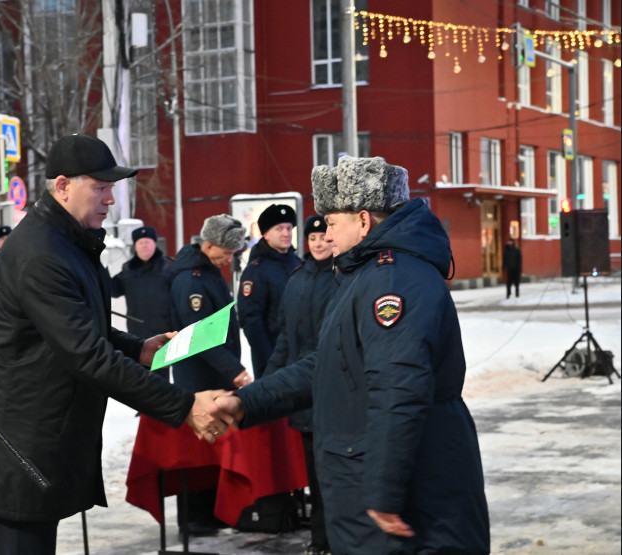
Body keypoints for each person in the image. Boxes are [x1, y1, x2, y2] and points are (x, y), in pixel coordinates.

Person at [0, 133, 229, 555]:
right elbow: (85, 354)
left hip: (44, 439)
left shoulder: (65, 243)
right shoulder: (42, 253)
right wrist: (182, 407)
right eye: (101, 187)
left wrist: (137, 350)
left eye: (112, 188)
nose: (110, 199)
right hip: (22, 445)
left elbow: (81, 330)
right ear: (64, 186)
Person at [215, 156, 490, 554]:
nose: (324, 234)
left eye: (331, 222)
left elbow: (399, 389)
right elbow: (327, 363)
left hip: (409, 497)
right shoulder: (367, 273)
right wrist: (246, 403)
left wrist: (383, 492)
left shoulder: (392, 280)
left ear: (363, 221)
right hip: (376, 485)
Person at [168, 214, 252, 535]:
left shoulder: (209, 271)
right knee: (197, 450)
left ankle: (210, 512)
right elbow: (199, 337)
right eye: (226, 253)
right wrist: (235, 371)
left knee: (213, 445)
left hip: (213, 374)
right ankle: (193, 517)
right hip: (197, 377)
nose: (229, 259)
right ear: (208, 244)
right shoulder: (192, 280)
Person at [264, 214, 336, 555]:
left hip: (336, 396)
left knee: (337, 474)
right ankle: (321, 540)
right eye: (313, 238)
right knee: (316, 476)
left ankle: (337, 539)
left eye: (324, 236)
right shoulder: (296, 280)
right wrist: (264, 387)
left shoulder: (345, 277)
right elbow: (284, 341)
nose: (319, 243)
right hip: (303, 397)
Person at [237, 203, 301, 378]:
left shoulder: (298, 263)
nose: (286, 233)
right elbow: (251, 320)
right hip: (272, 360)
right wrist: (270, 359)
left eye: (289, 228)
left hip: (300, 358)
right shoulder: (256, 271)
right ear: (265, 234)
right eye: (279, 229)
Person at [110, 225, 173, 380]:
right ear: (135, 246)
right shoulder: (128, 270)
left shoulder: (169, 267)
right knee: (140, 381)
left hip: (163, 333)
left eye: (148, 242)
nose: (144, 245)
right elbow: (113, 290)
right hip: (136, 336)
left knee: (161, 381)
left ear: (154, 244)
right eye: (140, 242)